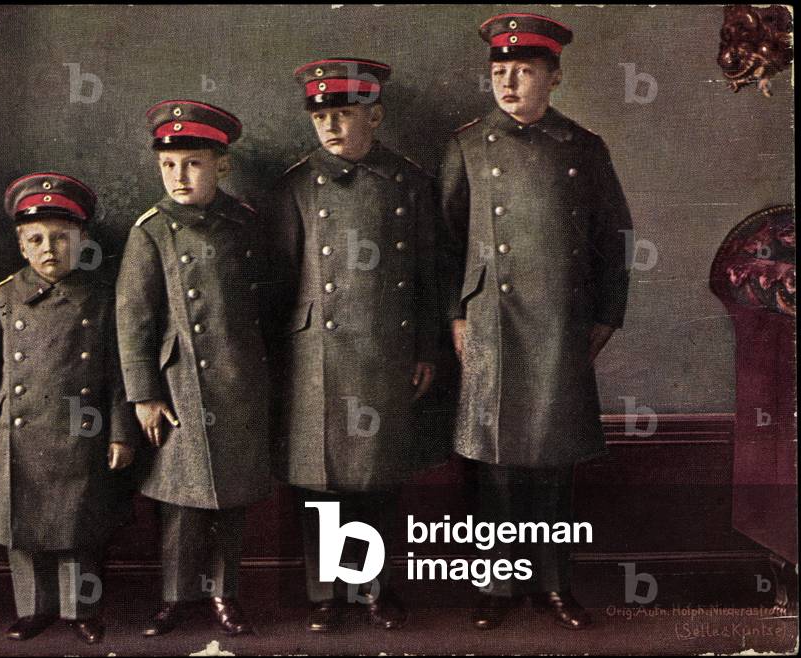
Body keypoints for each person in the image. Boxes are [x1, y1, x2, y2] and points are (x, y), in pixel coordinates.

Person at [439, 13, 633, 631]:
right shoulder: (467, 145)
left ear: (554, 76)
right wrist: (454, 314)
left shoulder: (583, 147)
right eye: (500, 71)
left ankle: (553, 584)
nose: (510, 82)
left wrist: (604, 317)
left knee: (554, 462)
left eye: (525, 70)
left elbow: (616, 238)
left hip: (561, 325)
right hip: (490, 322)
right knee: (494, 463)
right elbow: (443, 242)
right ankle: (496, 587)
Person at [268, 57, 440, 632]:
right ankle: (325, 594)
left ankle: (375, 588)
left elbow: (428, 277)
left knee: (377, 479)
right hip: (316, 353)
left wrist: (426, 349)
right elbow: (279, 280)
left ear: (376, 116)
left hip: (385, 348)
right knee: (321, 483)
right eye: (322, 117)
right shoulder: (295, 186)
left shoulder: (409, 183)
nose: (332, 128)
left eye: (345, 115)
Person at [0, 172, 139, 644]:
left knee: (80, 526)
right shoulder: (2, 297)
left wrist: (120, 432)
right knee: (23, 528)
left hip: (82, 430)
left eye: (62, 237)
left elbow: (118, 374)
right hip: (15, 436)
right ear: (21, 246)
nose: (49, 248)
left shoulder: (101, 301)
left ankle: (82, 611)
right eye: (36, 239)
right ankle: (33, 609)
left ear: (82, 241)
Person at [116, 100, 270, 637]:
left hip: (240, 382)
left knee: (232, 498)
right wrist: (143, 395)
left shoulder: (244, 223)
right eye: (169, 165)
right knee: (181, 503)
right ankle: (175, 597)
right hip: (178, 387)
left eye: (193, 163)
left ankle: (226, 595)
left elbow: (266, 306)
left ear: (221, 164)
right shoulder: (151, 230)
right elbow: (133, 319)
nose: (179, 177)